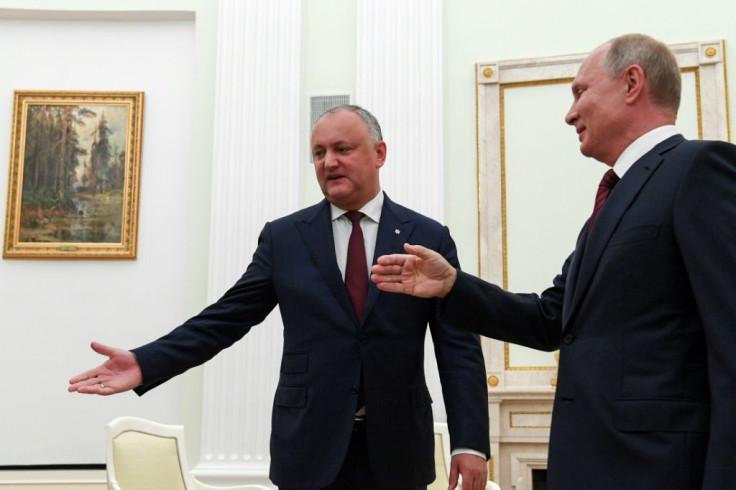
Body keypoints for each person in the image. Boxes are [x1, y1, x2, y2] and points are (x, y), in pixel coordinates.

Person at [371, 34, 736, 489]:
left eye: (581, 91)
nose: (570, 113)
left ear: (632, 82)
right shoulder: (614, 199)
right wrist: (452, 286)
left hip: (659, 469)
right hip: (592, 465)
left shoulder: (699, 169)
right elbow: (550, 319)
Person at [68, 105, 490, 490]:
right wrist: (146, 362)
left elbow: (459, 349)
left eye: (343, 148)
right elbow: (226, 318)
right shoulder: (286, 238)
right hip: (308, 447)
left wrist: (469, 442)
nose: (329, 162)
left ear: (379, 153)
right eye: (319, 152)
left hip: (398, 448)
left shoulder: (427, 238)